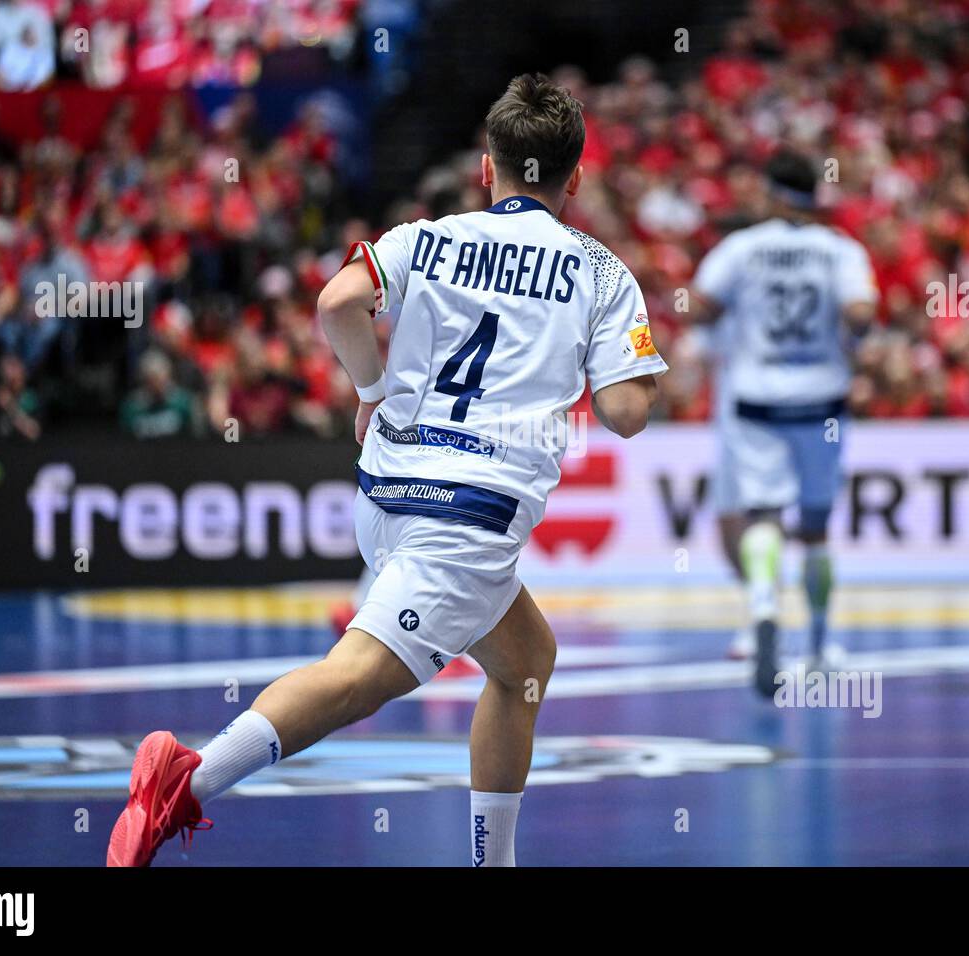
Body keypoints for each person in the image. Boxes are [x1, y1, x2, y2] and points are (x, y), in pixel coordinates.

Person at [107, 73, 667, 867]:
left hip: (387, 490)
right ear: (575, 177)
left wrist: (372, 389)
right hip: (470, 513)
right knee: (358, 679)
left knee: (525, 663)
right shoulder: (602, 273)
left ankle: (494, 863)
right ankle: (186, 784)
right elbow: (626, 414)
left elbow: (338, 302)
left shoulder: (425, 236)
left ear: (487, 167)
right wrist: (637, 367)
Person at [688, 149, 878, 697]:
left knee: (763, 515)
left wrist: (731, 315)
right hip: (821, 400)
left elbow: (699, 305)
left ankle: (765, 608)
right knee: (815, 526)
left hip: (756, 398)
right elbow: (861, 313)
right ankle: (819, 645)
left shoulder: (741, 247)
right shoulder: (838, 250)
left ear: (771, 194)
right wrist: (851, 341)